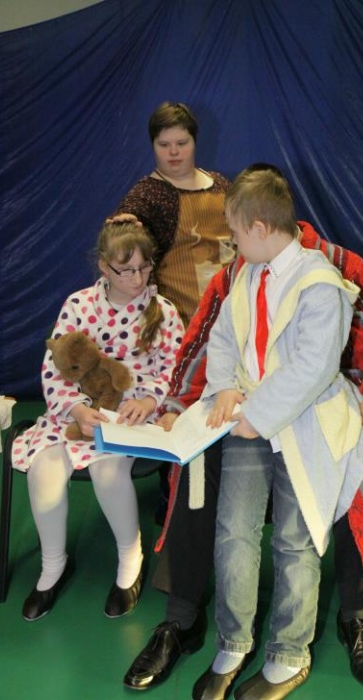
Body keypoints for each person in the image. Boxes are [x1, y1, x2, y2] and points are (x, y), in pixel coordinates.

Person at [123, 165, 363, 692]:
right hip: (248, 419)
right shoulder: (244, 273)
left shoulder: (326, 278)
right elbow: (218, 337)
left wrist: (260, 416)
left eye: (234, 232)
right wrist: (223, 388)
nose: (230, 242)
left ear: (259, 227)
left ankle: (296, 649)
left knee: (297, 541)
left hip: (307, 424)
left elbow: (315, 366)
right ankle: (229, 641)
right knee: (231, 530)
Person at [11, 221, 184, 622]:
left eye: (145, 268)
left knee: (108, 472)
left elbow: (174, 369)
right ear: (105, 267)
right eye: (127, 271)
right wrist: (74, 408)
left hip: (133, 414)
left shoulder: (163, 311)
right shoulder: (78, 305)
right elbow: (54, 367)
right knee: (44, 470)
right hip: (75, 413)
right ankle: (53, 565)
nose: (138, 279)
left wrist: (148, 400)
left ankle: (130, 557)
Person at [110, 100, 233, 522]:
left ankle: (227, 489)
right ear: (153, 146)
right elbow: (124, 246)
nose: (174, 152)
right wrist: (124, 228)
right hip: (178, 322)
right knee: (179, 409)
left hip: (229, 315)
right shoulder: (147, 195)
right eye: (165, 145)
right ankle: (176, 500)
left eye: (182, 142)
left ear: (195, 141)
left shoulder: (221, 185)